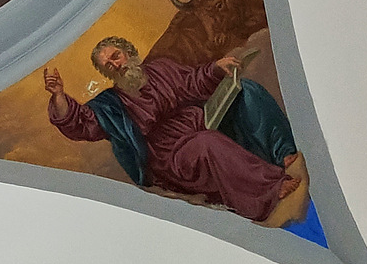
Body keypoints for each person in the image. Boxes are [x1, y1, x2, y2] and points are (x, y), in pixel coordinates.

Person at [43, 37, 302, 223]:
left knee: (247, 92)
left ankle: (282, 152)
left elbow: (193, 83)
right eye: (108, 66)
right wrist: (59, 96)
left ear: (128, 52)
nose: (116, 65)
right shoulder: (111, 104)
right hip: (173, 156)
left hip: (202, 122)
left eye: (116, 56)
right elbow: (82, 122)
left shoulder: (161, 69)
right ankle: (268, 191)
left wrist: (215, 68)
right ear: (106, 73)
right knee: (206, 143)